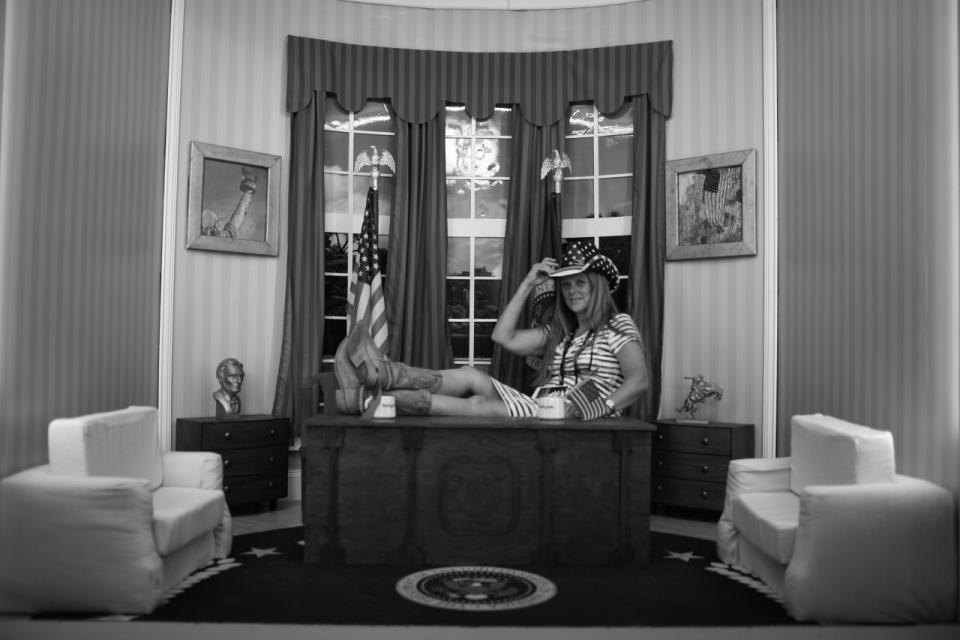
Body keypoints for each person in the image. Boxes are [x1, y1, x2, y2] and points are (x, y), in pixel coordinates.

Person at [335, 240, 649, 420]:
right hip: (543, 406)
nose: (571, 291)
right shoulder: (561, 334)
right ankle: (383, 377)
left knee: (479, 405)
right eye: (566, 285)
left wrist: (595, 410)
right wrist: (528, 283)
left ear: (598, 287)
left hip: (576, 417)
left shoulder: (617, 326)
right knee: (472, 374)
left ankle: (378, 397)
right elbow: (503, 337)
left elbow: (639, 380)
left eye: (580, 283)